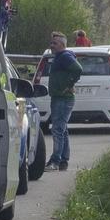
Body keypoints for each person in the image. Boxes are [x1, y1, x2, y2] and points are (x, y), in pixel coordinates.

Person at [44, 31, 83, 170]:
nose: (51, 45)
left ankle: (55, 160)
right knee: (62, 129)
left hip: (63, 99)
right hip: (59, 98)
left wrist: (69, 84)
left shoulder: (65, 56)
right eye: (51, 43)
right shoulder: (59, 57)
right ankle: (63, 161)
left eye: (54, 43)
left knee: (57, 129)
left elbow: (78, 69)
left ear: (62, 45)